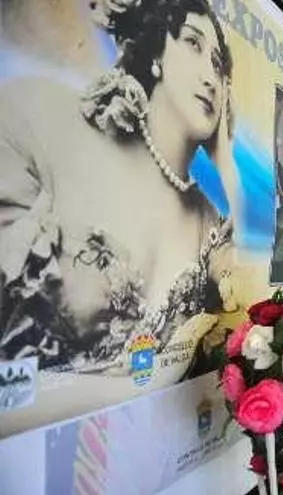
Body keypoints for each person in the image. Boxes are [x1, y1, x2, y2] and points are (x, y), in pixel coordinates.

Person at [0, 0, 239, 376]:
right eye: (193, 43)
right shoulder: (45, 119)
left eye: (218, 64)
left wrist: (227, 167)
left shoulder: (211, 220)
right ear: (157, 53)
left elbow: (238, 317)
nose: (211, 78)